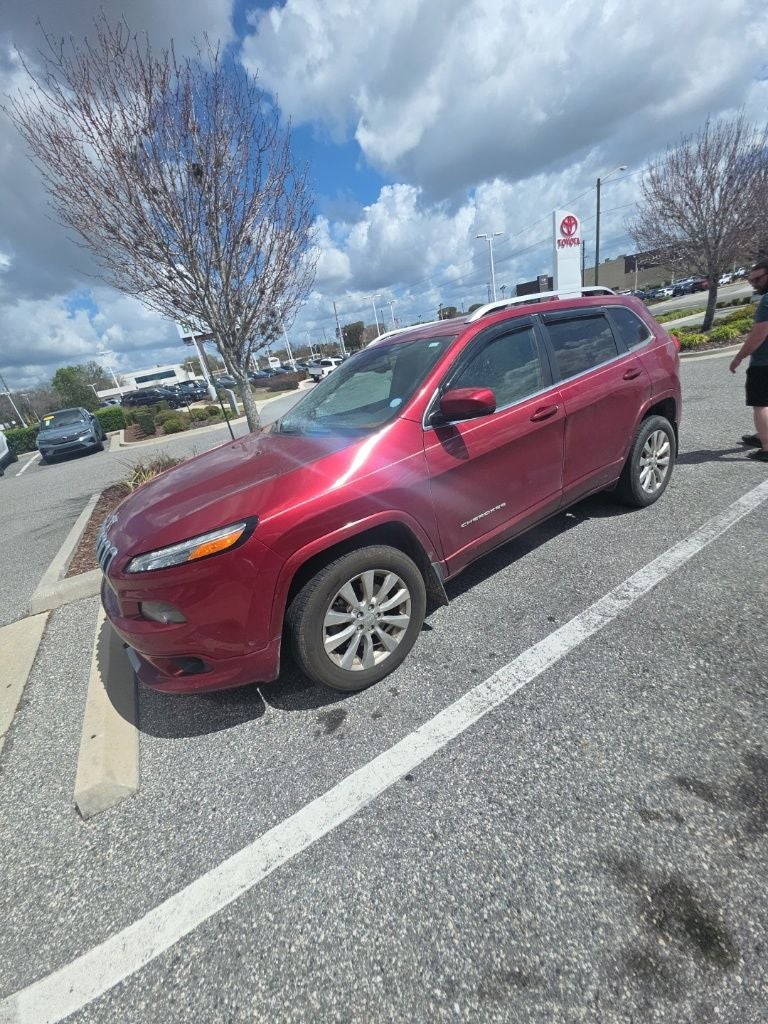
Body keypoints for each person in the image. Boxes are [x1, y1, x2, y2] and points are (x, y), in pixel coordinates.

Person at [730, 258, 768, 461]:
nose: (753, 283)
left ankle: (766, 447)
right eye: (751, 280)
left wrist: (739, 357)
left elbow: (759, 335)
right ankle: (763, 434)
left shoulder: (767, 301)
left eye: (757, 279)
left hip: (764, 363)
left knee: (760, 404)